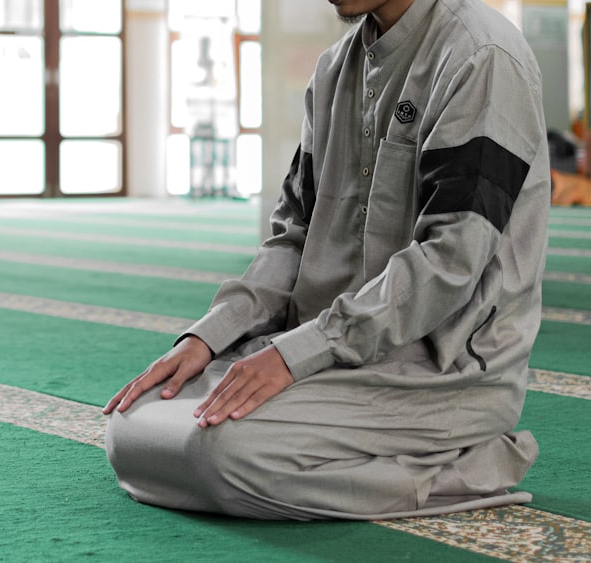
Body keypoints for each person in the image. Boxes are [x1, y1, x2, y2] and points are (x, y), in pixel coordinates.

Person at [104, 0, 550, 520]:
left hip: (438, 370)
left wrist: (302, 351)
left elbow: (449, 263)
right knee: (133, 424)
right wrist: (211, 335)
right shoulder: (335, 69)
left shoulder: (481, 56)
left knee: (218, 450)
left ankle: (472, 466)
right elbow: (292, 238)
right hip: (323, 351)